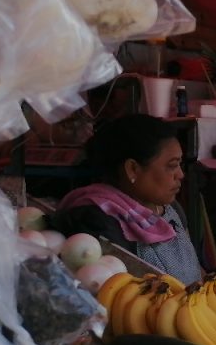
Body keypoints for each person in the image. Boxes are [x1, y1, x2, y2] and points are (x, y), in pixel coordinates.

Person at [52, 114, 204, 285]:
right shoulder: (99, 220)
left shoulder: (172, 209)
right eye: (172, 166)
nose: (181, 175)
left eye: (180, 164)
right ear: (132, 169)